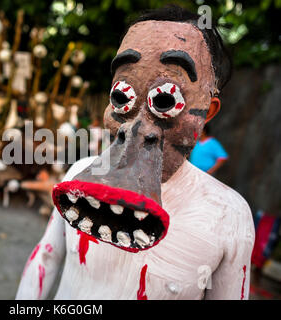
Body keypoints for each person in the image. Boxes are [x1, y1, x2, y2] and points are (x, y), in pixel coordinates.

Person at [16, 5, 254, 300]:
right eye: (122, 96)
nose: (138, 129)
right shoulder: (79, 173)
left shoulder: (228, 216)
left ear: (207, 112)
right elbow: (46, 258)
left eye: (166, 100)